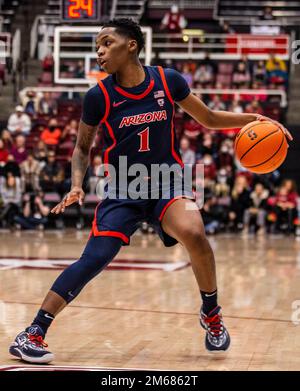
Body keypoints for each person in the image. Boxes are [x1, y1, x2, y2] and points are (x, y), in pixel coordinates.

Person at [9, 18, 292, 364]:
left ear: (131, 45)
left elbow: (209, 118)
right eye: (97, 45)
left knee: (193, 231)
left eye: (106, 43)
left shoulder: (167, 80)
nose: (99, 51)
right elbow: (82, 148)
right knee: (95, 258)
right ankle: (33, 331)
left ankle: (211, 313)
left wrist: (255, 119)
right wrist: (76, 185)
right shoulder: (98, 97)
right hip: (123, 186)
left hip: (167, 181)